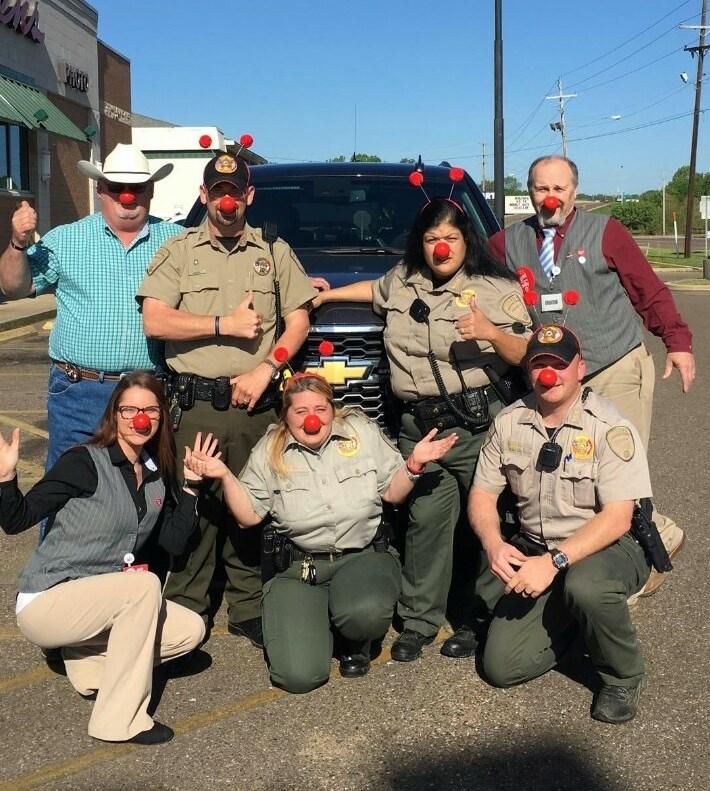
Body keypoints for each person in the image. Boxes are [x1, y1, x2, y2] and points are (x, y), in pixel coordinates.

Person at [312, 197, 531, 662]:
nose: (441, 247)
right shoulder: (404, 280)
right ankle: (419, 621)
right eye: (432, 239)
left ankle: (482, 617)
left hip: (478, 427)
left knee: (485, 523)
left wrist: (491, 332)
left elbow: (527, 355)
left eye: (451, 238)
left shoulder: (494, 287)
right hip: (422, 430)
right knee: (425, 523)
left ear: (466, 240)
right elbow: (375, 290)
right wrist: (327, 294)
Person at [488, 155, 693, 597]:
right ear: (530, 191)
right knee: (572, 473)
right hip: (557, 374)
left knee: (617, 473)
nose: (550, 198)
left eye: (559, 189)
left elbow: (647, 289)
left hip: (613, 362)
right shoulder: (507, 243)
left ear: (574, 192)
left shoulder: (606, 233)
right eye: (541, 188)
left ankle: (635, 564)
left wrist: (677, 341)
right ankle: (590, 564)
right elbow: (467, 278)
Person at [138, 153, 317, 648]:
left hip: (254, 403)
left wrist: (267, 366)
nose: (227, 200)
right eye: (217, 192)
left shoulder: (274, 251)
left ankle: (246, 605)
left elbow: (298, 320)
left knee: (251, 506)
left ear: (249, 195)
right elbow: (155, 320)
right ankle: (188, 608)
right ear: (204, 196)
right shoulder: (180, 251)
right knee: (194, 504)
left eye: (235, 190)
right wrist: (223, 326)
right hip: (195, 403)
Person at [184, 373, 458, 693]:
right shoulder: (269, 449)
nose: (312, 418)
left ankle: (353, 641)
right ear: (286, 416)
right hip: (299, 567)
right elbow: (247, 517)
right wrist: (224, 475)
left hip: (361, 556)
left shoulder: (361, 432)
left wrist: (413, 464)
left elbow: (393, 494)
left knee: (364, 614)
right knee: (298, 677)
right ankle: (318, 624)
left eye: (320, 409)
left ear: (331, 409)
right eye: (301, 412)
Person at [0, 372, 217, 744]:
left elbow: (173, 542)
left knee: (190, 630)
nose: (140, 418)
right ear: (114, 414)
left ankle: (86, 664)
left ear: (161, 417)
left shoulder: (153, 475)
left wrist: (191, 487)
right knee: (143, 586)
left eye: (150, 409)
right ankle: (118, 721)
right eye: (129, 408)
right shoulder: (84, 462)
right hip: (48, 601)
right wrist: (6, 479)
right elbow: (17, 520)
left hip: (96, 606)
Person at [469, 325, 652, 723]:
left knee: (587, 585)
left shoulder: (609, 427)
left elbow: (618, 517)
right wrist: (494, 543)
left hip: (605, 547)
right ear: (528, 372)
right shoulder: (510, 421)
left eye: (559, 363)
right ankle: (575, 622)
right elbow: (482, 494)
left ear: (580, 368)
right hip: (537, 546)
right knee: (501, 668)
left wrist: (553, 563)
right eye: (539, 364)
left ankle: (623, 675)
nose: (548, 373)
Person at [0, 144, 182, 476]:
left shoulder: (178, 242)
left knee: (149, 487)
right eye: (117, 188)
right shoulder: (66, 239)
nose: (127, 197)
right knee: (69, 489)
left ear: (151, 190)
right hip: (79, 391)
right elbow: (14, 287)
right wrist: (17, 243)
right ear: (101, 190)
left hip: (149, 392)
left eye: (136, 188)